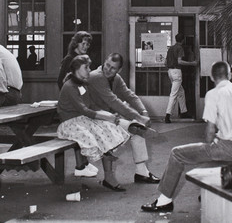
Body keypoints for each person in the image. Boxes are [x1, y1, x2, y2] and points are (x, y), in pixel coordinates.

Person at [141, 61, 232, 212]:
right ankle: (214, 191)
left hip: (228, 148)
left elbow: (209, 132)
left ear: (211, 77)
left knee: (177, 153)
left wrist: (213, 140)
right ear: (229, 75)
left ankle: (164, 201)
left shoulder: (214, 94)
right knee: (215, 151)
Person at [57, 55, 130, 191]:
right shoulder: (69, 86)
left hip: (82, 120)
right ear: (77, 69)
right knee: (96, 132)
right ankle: (104, 153)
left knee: (108, 127)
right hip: (70, 124)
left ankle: (109, 175)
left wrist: (108, 115)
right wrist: (105, 116)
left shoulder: (82, 84)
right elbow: (84, 110)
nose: (89, 70)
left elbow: (92, 105)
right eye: (86, 67)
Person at [87, 53, 160, 184]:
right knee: (135, 127)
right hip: (93, 119)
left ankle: (141, 172)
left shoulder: (116, 78)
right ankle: (114, 177)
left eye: (113, 68)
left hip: (107, 118)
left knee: (137, 128)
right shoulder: (96, 76)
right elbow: (114, 102)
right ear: (104, 61)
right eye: (107, 65)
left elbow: (129, 95)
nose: (108, 69)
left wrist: (144, 112)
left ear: (118, 70)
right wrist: (138, 117)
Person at [57, 30, 97, 177]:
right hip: (71, 103)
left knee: (83, 131)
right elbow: (61, 81)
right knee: (79, 132)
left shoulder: (82, 59)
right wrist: (71, 96)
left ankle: (84, 163)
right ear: (76, 43)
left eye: (88, 44)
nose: (86, 46)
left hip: (78, 99)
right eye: (84, 43)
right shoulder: (70, 59)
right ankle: (80, 165)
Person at [164, 33, 197, 123]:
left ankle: (184, 111)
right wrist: (192, 63)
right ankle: (168, 115)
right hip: (176, 72)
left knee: (181, 92)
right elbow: (179, 61)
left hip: (170, 72)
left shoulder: (170, 48)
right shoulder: (180, 48)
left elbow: (165, 62)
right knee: (174, 94)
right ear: (183, 40)